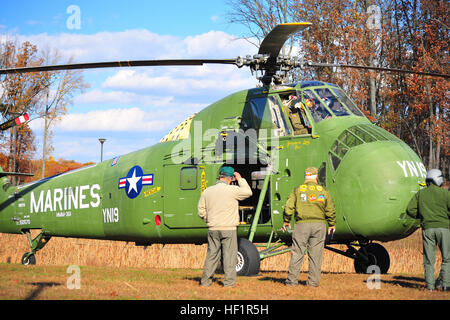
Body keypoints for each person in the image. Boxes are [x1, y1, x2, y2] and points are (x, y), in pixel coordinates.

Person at [198, 166, 252, 287]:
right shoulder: (232, 190)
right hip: (228, 228)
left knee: (212, 255)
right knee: (229, 256)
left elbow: (201, 210)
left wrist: (208, 220)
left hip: (213, 228)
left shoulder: (207, 191)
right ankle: (229, 283)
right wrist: (240, 179)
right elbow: (248, 192)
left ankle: (206, 282)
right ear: (230, 178)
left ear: (220, 176)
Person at [283, 167, 336, 287]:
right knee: (316, 255)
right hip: (319, 225)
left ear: (305, 177)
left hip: (301, 225)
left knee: (297, 253)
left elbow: (288, 207)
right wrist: (332, 223)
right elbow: (330, 209)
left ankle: (292, 281)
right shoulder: (323, 190)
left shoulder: (297, 190)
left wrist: (286, 221)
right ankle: (313, 282)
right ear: (316, 177)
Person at [406, 169, 450, 291]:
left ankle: (430, 287)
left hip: (427, 229)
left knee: (429, 260)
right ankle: (446, 285)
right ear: (438, 179)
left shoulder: (420, 194)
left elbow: (410, 210)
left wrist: (421, 216)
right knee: (447, 258)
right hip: (444, 229)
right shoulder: (445, 194)